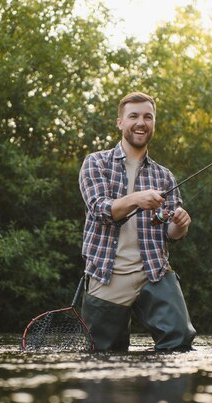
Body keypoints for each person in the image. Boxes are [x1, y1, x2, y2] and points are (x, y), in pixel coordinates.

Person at [78, 91, 196, 351]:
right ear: (120, 122)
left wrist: (180, 224)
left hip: (153, 272)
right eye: (134, 116)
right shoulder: (95, 163)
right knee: (103, 357)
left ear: (153, 123)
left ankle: (162, 392)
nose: (141, 122)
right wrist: (136, 199)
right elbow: (100, 209)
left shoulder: (164, 176)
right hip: (106, 274)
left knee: (180, 342)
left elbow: (171, 234)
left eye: (148, 117)